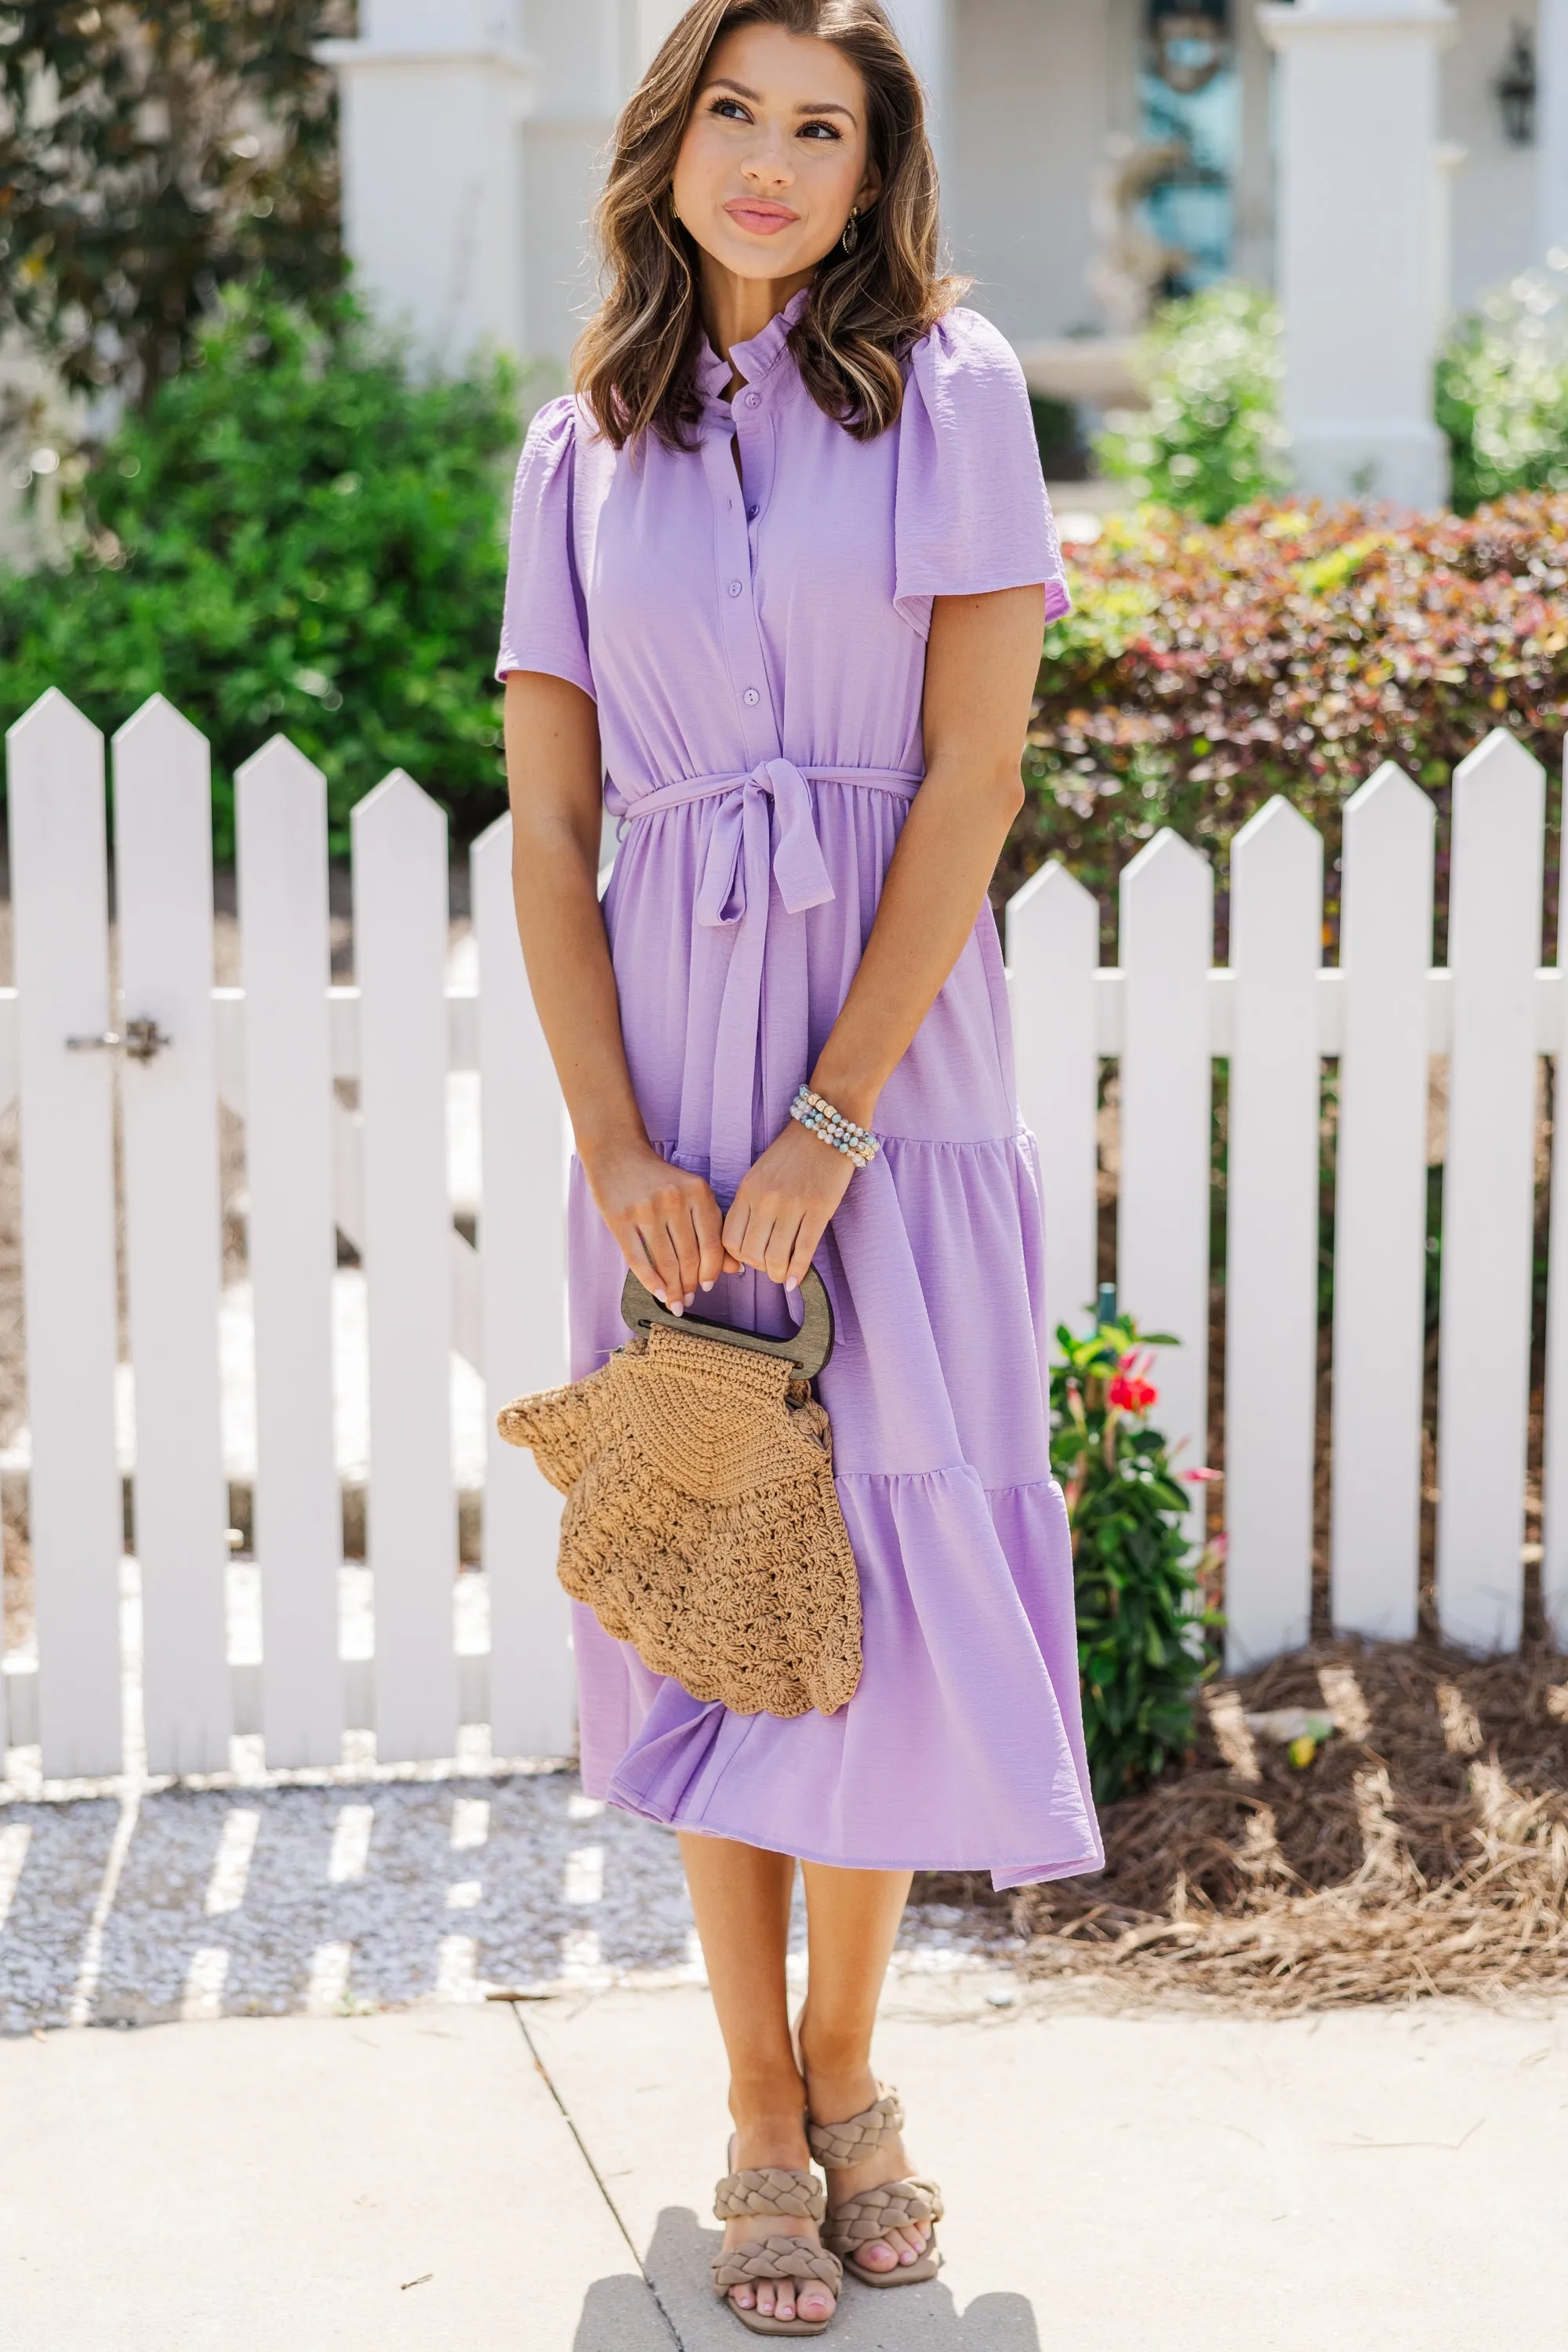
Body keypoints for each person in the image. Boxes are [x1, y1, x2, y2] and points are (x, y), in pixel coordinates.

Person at [499, 0, 1101, 2332]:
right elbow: (553, 828)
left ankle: (857, 2066)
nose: (768, 161)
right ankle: (757, 2098)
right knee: (712, 1557)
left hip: (896, 1076)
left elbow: (970, 782)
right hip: (657, 1066)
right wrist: (621, 1140)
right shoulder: (579, 450)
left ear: (874, 172)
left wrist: (835, 1117)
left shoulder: (947, 391)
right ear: (667, 147)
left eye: (818, 128)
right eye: (732, 114)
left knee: (879, 1559)